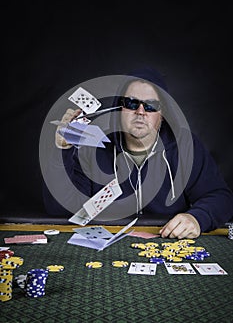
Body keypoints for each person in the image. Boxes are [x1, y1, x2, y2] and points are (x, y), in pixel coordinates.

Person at [43, 68, 233, 239]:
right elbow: (60, 210)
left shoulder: (185, 145)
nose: (141, 112)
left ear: (163, 112)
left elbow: (222, 198)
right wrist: (63, 151)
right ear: (120, 108)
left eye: (150, 106)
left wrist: (197, 218)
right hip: (107, 250)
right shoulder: (94, 148)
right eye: (132, 103)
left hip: (167, 242)